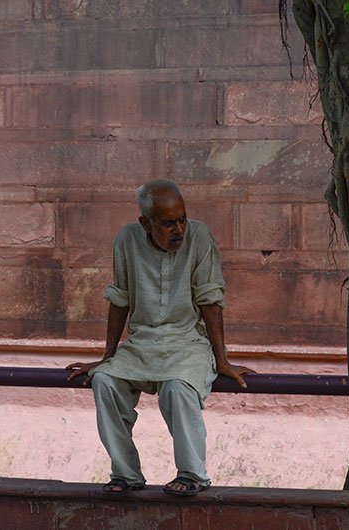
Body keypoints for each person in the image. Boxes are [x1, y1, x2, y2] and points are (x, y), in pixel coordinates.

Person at [67, 179, 253, 497]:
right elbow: (120, 298)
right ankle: (125, 474)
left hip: (187, 344)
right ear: (145, 223)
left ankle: (192, 474)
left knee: (178, 388)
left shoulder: (200, 237)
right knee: (105, 382)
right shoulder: (127, 240)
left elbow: (211, 299)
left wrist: (222, 360)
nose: (178, 229)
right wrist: (107, 357)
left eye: (182, 219)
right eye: (168, 223)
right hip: (140, 344)